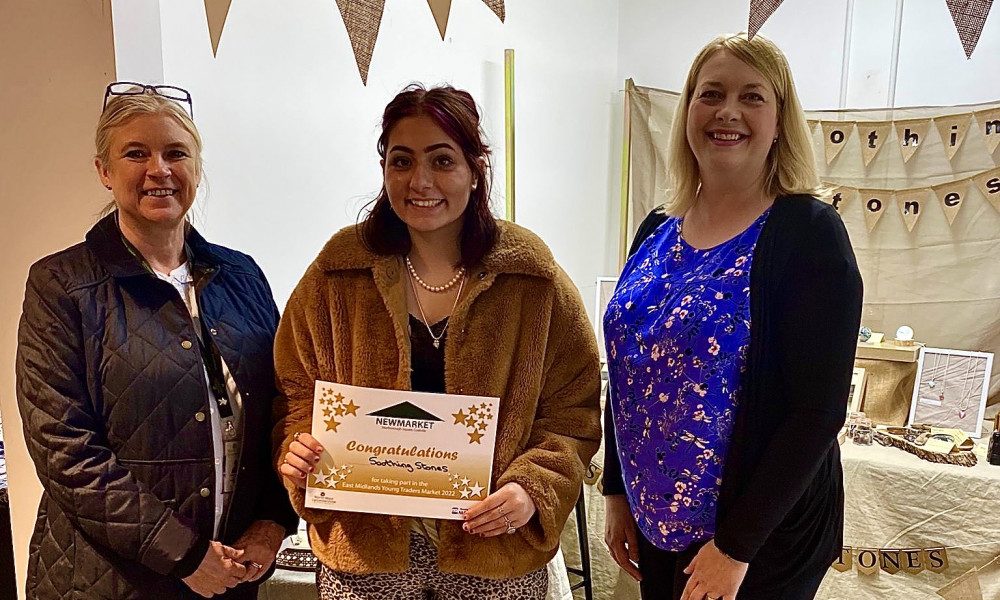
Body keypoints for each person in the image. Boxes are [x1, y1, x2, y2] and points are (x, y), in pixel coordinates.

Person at [272, 84, 602, 599]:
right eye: (401, 161)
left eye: (442, 160)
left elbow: (574, 411)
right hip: (367, 550)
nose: (420, 181)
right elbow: (296, 392)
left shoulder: (531, 278)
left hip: (493, 548)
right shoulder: (337, 273)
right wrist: (298, 449)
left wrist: (532, 488)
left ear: (475, 169)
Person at [602, 33, 863, 600]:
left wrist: (736, 547)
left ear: (779, 120)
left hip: (755, 540)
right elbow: (629, 367)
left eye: (752, 97)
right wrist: (616, 490)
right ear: (688, 110)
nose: (728, 111)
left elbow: (815, 412)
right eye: (710, 93)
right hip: (656, 520)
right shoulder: (656, 228)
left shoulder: (808, 234)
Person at [15, 83, 298, 599]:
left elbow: (284, 406)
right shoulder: (62, 285)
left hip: (231, 574)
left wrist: (273, 520)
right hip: (107, 580)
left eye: (175, 153)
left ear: (196, 166)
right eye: (135, 154)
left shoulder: (242, 276)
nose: (159, 170)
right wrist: (183, 554)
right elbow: (65, 450)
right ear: (104, 171)